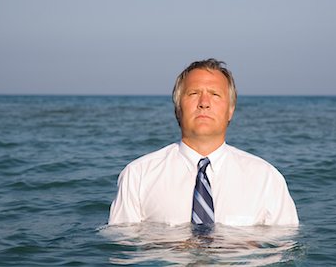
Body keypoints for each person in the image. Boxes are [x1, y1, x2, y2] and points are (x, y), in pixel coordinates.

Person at [108, 58, 299, 226]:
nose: (204, 102)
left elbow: (287, 250)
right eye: (193, 94)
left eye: (215, 95)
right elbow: (122, 250)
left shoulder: (266, 179)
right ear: (178, 108)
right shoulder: (138, 176)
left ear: (230, 110)